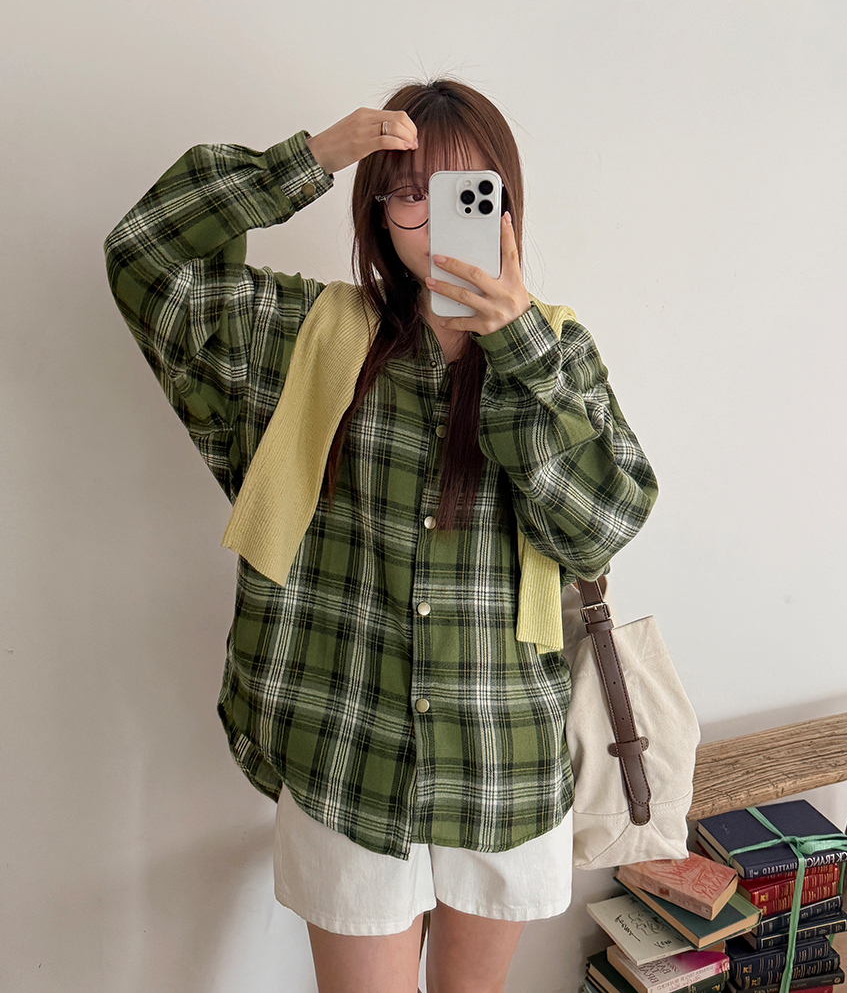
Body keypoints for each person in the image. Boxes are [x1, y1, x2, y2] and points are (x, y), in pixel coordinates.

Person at [105, 79, 657, 993]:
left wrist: (515, 344)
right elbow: (144, 257)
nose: (435, 220)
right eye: (409, 192)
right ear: (377, 207)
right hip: (343, 749)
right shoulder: (309, 335)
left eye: (465, 190)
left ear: (505, 202)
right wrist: (310, 158)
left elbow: (599, 528)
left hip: (501, 758)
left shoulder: (557, 351)